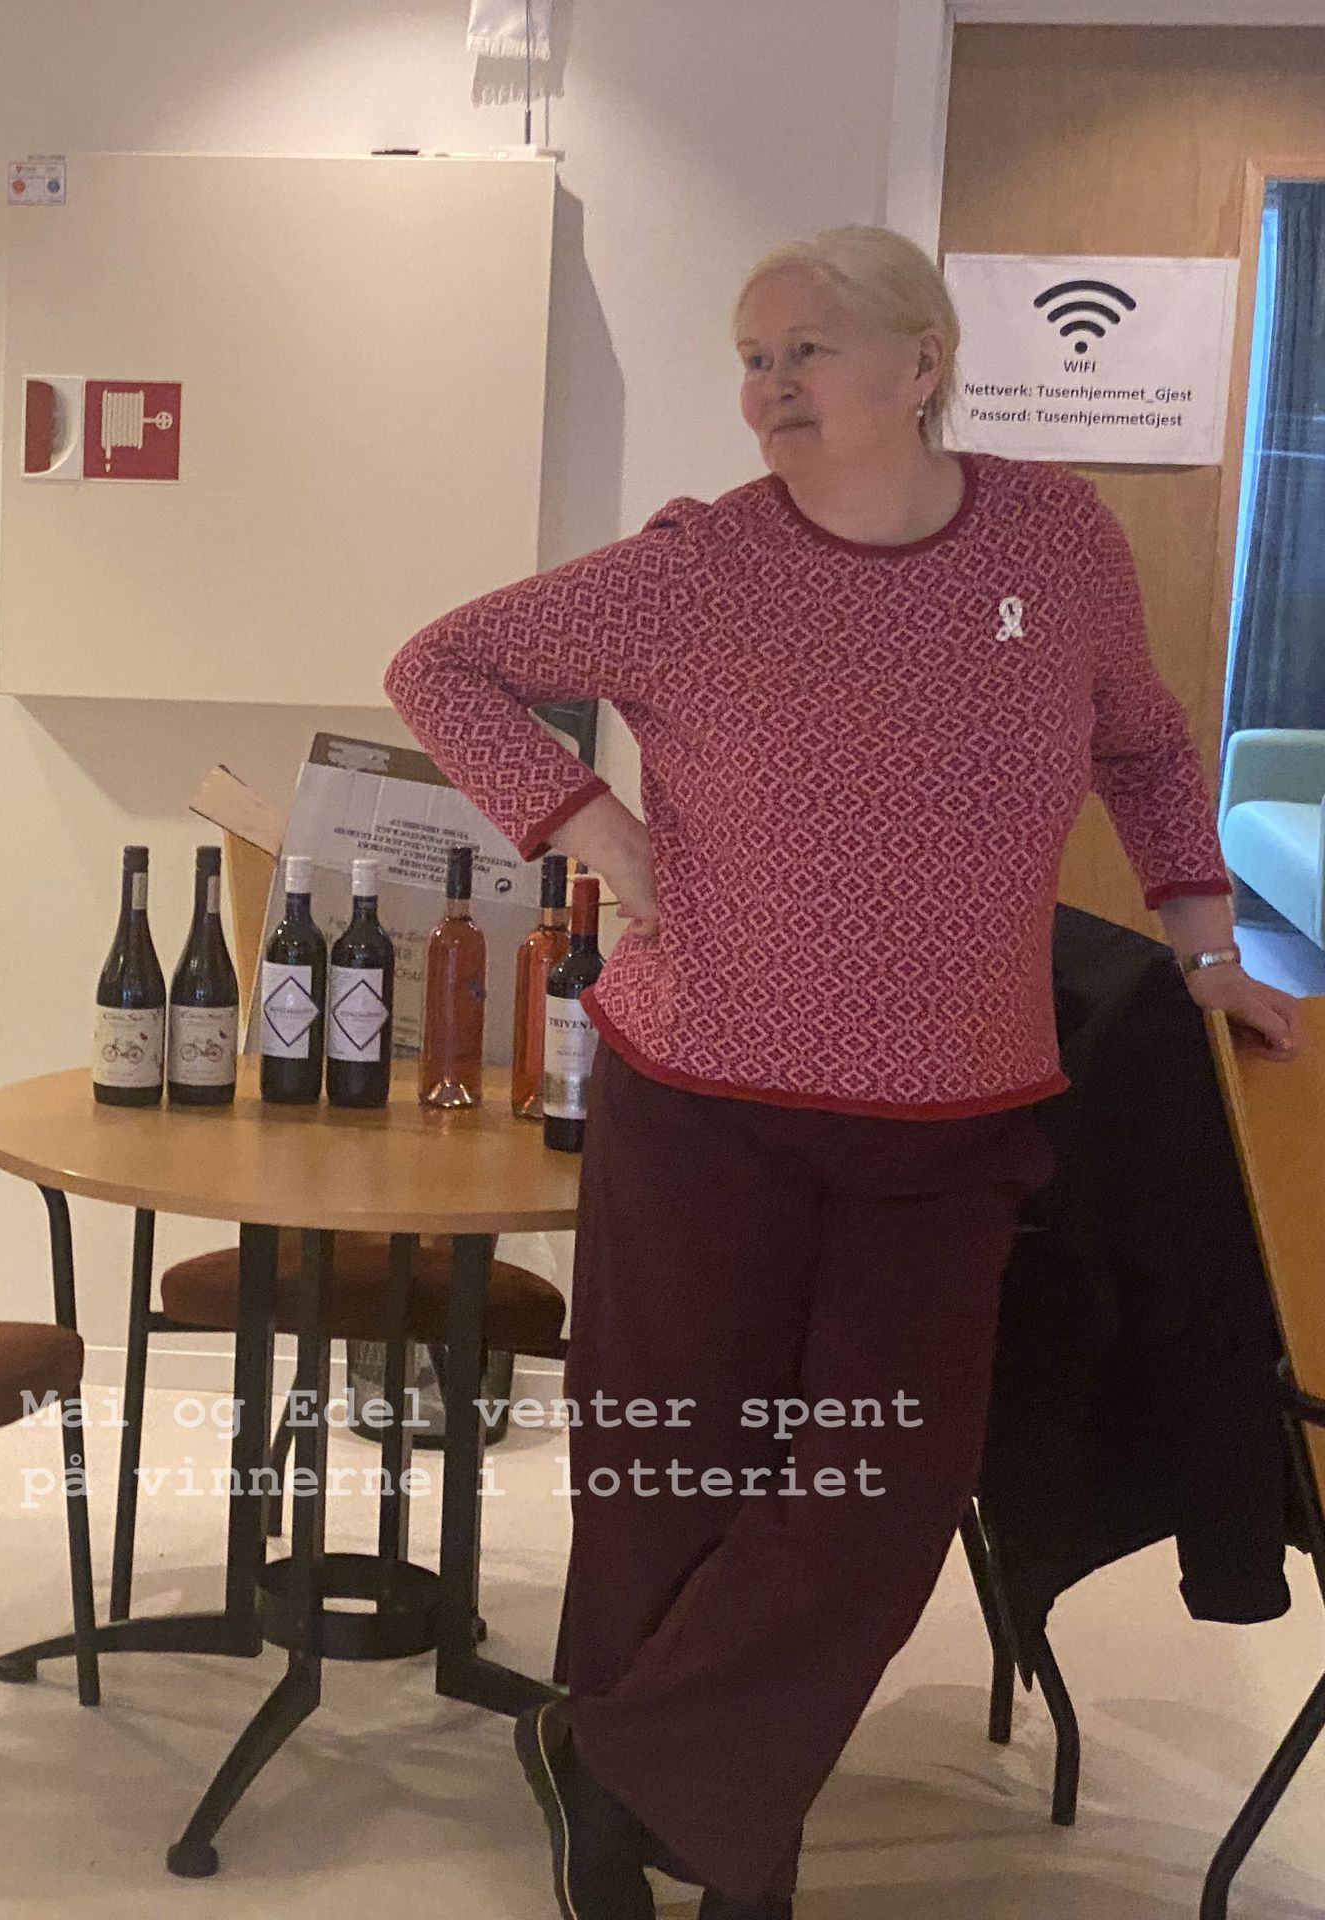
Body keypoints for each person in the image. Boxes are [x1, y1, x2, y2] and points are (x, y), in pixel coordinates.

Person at [384, 225, 1300, 1920]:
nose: (769, 388)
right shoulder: (698, 567)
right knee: (671, 1474)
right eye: (752, 359)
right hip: (703, 1101)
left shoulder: (1053, 544)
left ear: (922, 360)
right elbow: (439, 664)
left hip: (956, 1114)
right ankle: (712, 1853)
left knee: (889, 1486)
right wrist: (591, 826)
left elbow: (1148, 744)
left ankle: (609, 1753)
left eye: (804, 350)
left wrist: (1205, 945)